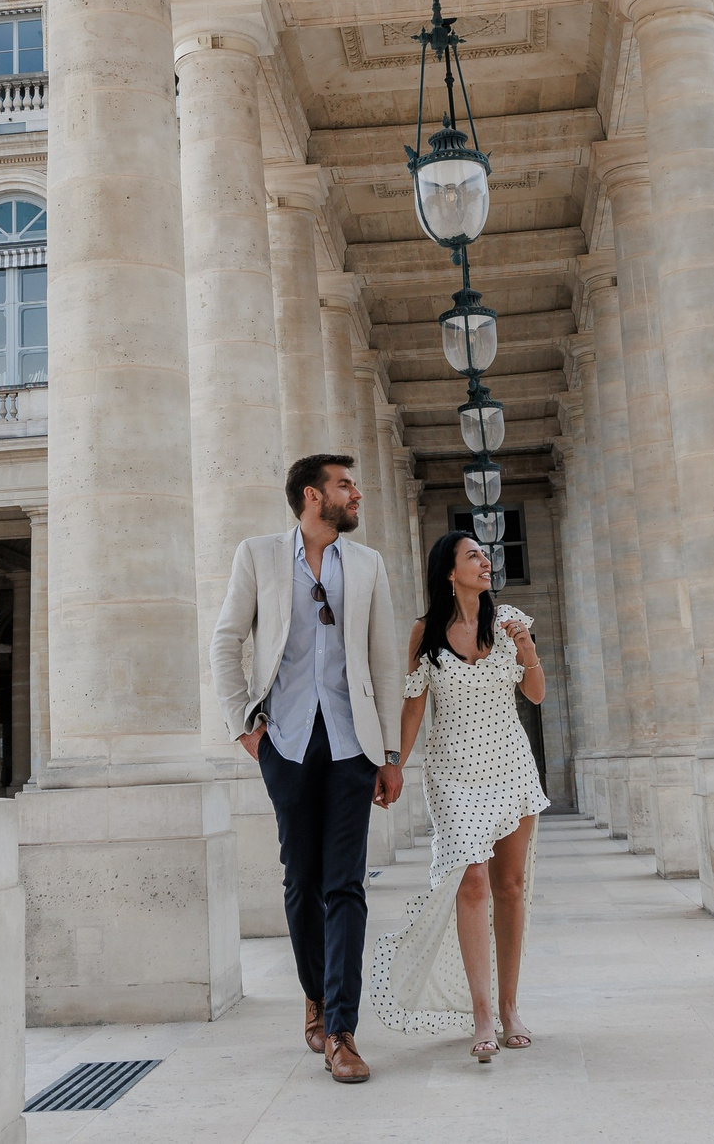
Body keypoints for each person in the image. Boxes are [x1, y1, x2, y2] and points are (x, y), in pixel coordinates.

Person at [210, 453, 405, 1085]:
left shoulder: (367, 564)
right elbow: (226, 639)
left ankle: (342, 1029)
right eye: (345, 485)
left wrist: (393, 755)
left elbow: (382, 661)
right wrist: (245, 724)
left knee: (345, 884)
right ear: (312, 497)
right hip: (287, 740)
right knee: (302, 880)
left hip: (354, 744)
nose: (357, 493)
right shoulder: (260, 555)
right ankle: (316, 996)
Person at [367, 530, 549, 1062]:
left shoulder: (510, 619)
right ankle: (482, 1014)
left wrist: (527, 649)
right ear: (449, 571)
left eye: (485, 555)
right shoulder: (425, 633)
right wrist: (394, 763)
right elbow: (413, 707)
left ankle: (510, 1006)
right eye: (473, 556)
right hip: (453, 773)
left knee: (510, 886)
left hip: (511, 765)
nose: (485, 562)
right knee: (471, 878)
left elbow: (534, 695)